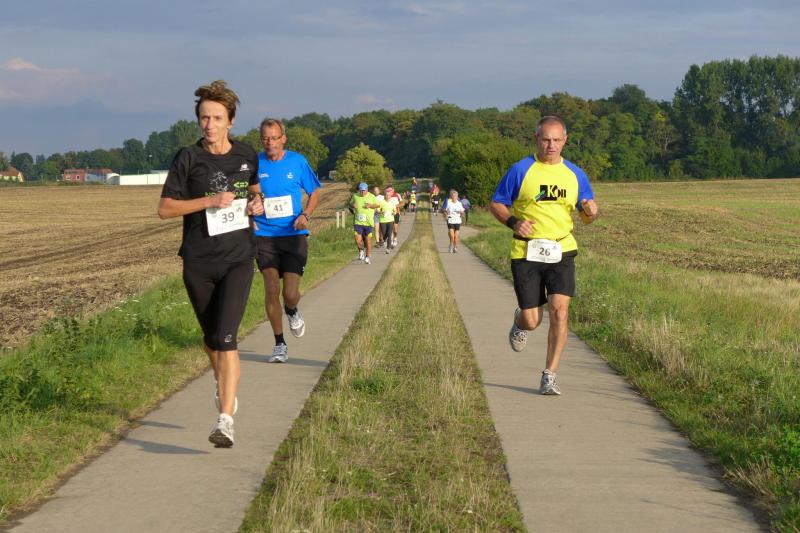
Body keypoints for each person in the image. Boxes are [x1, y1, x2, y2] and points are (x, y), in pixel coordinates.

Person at [158, 80, 264, 447]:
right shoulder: (187, 158)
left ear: (230, 121)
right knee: (211, 340)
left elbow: (255, 192)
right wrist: (208, 201)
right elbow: (165, 209)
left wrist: (257, 204)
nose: (210, 125)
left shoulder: (247, 155)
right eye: (204, 118)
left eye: (217, 118)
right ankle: (224, 385)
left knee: (226, 338)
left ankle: (225, 420)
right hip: (199, 260)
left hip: (238, 258)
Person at [489, 115, 598, 396]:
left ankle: (549, 375)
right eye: (546, 139)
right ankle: (520, 321)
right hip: (527, 251)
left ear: (565, 140)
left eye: (557, 140)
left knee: (560, 311)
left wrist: (591, 212)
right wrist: (514, 222)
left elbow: (586, 214)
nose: (551, 145)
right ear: (536, 139)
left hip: (562, 249)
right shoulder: (520, 170)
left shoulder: (576, 174)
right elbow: (497, 204)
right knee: (532, 320)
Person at [251, 118, 321, 364]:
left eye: (274, 138)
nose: (269, 142)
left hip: (293, 235)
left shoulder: (297, 161)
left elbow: (314, 192)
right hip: (264, 236)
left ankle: (292, 310)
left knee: (290, 294)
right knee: (271, 288)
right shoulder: (255, 163)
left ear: (283, 139)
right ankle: (279, 343)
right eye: (265, 138)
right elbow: (244, 194)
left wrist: (306, 215)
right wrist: (249, 212)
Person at [350, 182, 380, 264]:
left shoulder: (371, 196)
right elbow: (351, 204)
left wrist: (370, 206)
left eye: (363, 190)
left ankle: (367, 257)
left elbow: (377, 205)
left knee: (368, 240)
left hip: (368, 223)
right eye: (360, 190)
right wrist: (353, 205)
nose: (362, 192)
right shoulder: (355, 196)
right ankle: (361, 250)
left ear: (367, 189)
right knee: (357, 240)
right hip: (358, 222)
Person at [442, 189, 465, 253]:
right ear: (451, 197)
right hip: (450, 220)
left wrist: (462, 213)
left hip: (457, 221)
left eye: (455, 196)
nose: (454, 197)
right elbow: (444, 210)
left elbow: (463, 212)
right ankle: (451, 245)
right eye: (453, 196)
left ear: (457, 197)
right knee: (452, 236)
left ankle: (455, 247)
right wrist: (446, 215)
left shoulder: (459, 203)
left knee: (456, 236)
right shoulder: (449, 203)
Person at [377, 187, 396, 254]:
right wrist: (381, 212)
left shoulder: (392, 202)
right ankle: (384, 240)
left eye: (388, 195)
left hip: (391, 220)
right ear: (384, 195)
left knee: (389, 234)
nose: (387, 196)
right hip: (383, 220)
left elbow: (395, 211)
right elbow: (377, 210)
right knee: (384, 233)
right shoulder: (381, 202)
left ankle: (388, 248)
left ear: (390, 196)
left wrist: (393, 213)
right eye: (386, 195)